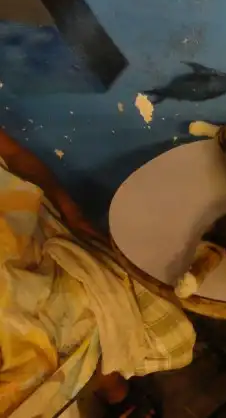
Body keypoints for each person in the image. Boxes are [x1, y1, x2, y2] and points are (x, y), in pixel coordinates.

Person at [0, 129, 195, 418]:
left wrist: (69, 210)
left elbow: (14, 155)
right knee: (31, 375)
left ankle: (108, 382)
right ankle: (107, 387)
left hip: (32, 243)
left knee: (170, 336)